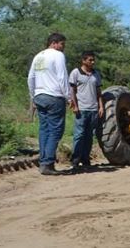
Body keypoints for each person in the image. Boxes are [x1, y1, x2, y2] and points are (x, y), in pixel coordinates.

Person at [27, 33, 70, 176]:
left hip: (40, 96)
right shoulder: (58, 56)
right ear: (55, 43)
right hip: (54, 97)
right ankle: (47, 163)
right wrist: (69, 97)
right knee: (55, 130)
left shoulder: (38, 56)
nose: (63, 48)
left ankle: (43, 161)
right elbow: (62, 77)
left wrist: (34, 96)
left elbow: (31, 78)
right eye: (62, 44)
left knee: (44, 129)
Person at [69, 51, 103, 170]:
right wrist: (75, 105)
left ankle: (85, 159)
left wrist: (101, 106)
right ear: (83, 60)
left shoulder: (96, 74)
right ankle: (75, 159)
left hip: (93, 109)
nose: (92, 62)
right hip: (82, 109)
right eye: (90, 60)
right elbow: (72, 90)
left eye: (93, 60)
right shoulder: (76, 73)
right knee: (79, 135)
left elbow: (99, 93)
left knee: (89, 136)